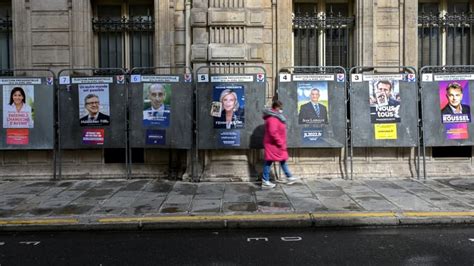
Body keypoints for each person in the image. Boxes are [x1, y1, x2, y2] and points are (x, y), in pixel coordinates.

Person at [261, 100, 299, 188]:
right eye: (280, 108)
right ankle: (265, 180)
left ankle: (289, 177)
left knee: (282, 160)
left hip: (276, 144)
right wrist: (280, 142)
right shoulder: (273, 118)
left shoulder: (276, 116)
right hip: (273, 144)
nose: (281, 110)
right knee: (269, 161)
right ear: (276, 108)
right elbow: (273, 132)